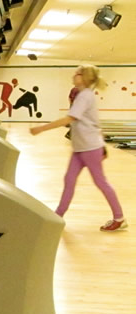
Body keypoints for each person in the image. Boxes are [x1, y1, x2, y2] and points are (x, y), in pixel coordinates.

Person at [30, 65, 127, 232]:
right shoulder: (83, 96)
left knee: (100, 182)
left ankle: (119, 217)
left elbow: (69, 118)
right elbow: (95, 122)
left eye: (77, 73)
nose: (74, 75)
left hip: (90, 148)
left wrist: (42, 128)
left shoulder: (85, 96)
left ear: (85, 77)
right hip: (81, 148)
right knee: (69, 180)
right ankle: (58, 216)